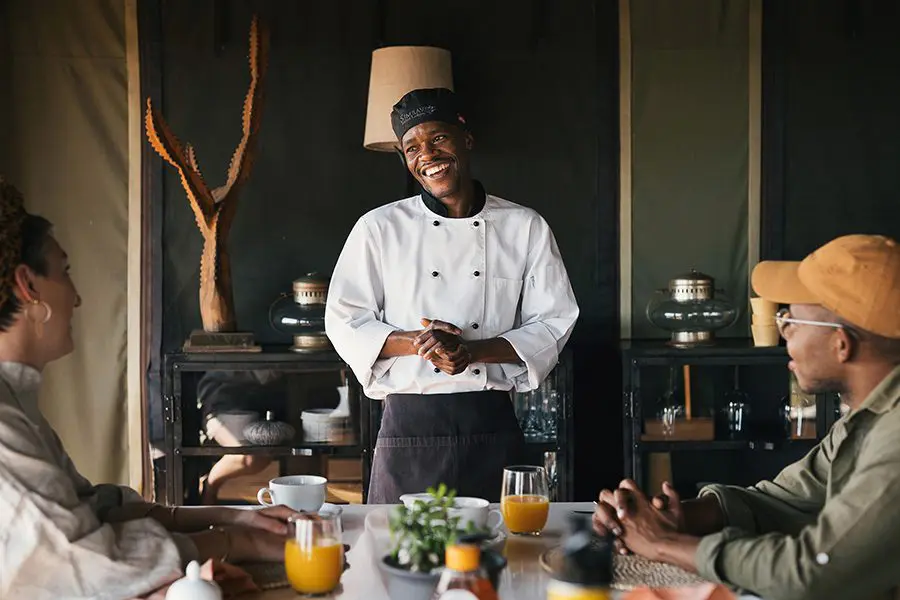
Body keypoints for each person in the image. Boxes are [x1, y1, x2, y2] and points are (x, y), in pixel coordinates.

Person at [0, 179, 298, 598]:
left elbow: (95, 507)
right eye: (65, 272)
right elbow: (89, 563)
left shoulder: (16, 399)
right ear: (28, 285)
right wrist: (235, 542)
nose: (77, 297)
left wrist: (237, 517)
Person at [592, 234, 900, 600]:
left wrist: (663, 543)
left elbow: (809, 572)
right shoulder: (868, 415)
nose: (783, 332)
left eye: (791, 320)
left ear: (841, 344)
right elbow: (785, 501)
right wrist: (683, 518)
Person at [325, 88, 579, 503]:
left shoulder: (524, 226)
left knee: (503, 558)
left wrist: (471, 352)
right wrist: (422, 344)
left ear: (466, 139)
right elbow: (344, 320)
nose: (427, 154)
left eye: (438, 138)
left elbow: (554, 320)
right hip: (409, 429)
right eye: (412, 147)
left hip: (493, 427)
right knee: (399, 558)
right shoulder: (379, 228)